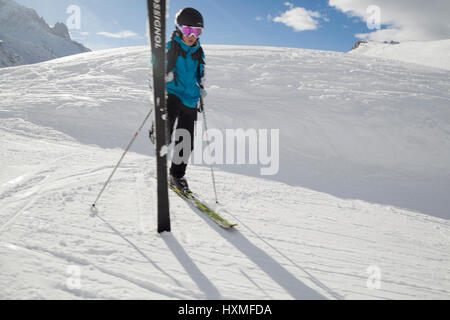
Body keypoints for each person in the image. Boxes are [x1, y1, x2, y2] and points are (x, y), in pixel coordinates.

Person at [150, 7, 206, 193]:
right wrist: (159, 80)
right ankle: (158, 130)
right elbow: (154, 73)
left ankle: (177, 175)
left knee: (185, 141)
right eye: (188, 30)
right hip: (172, 93)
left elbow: (200, 75)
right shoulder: (169, 48)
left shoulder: (199, 52)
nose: (192, 35)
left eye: (197, 31)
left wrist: (201, 87)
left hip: (190, 99)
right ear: (179, 29)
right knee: (166, 130)